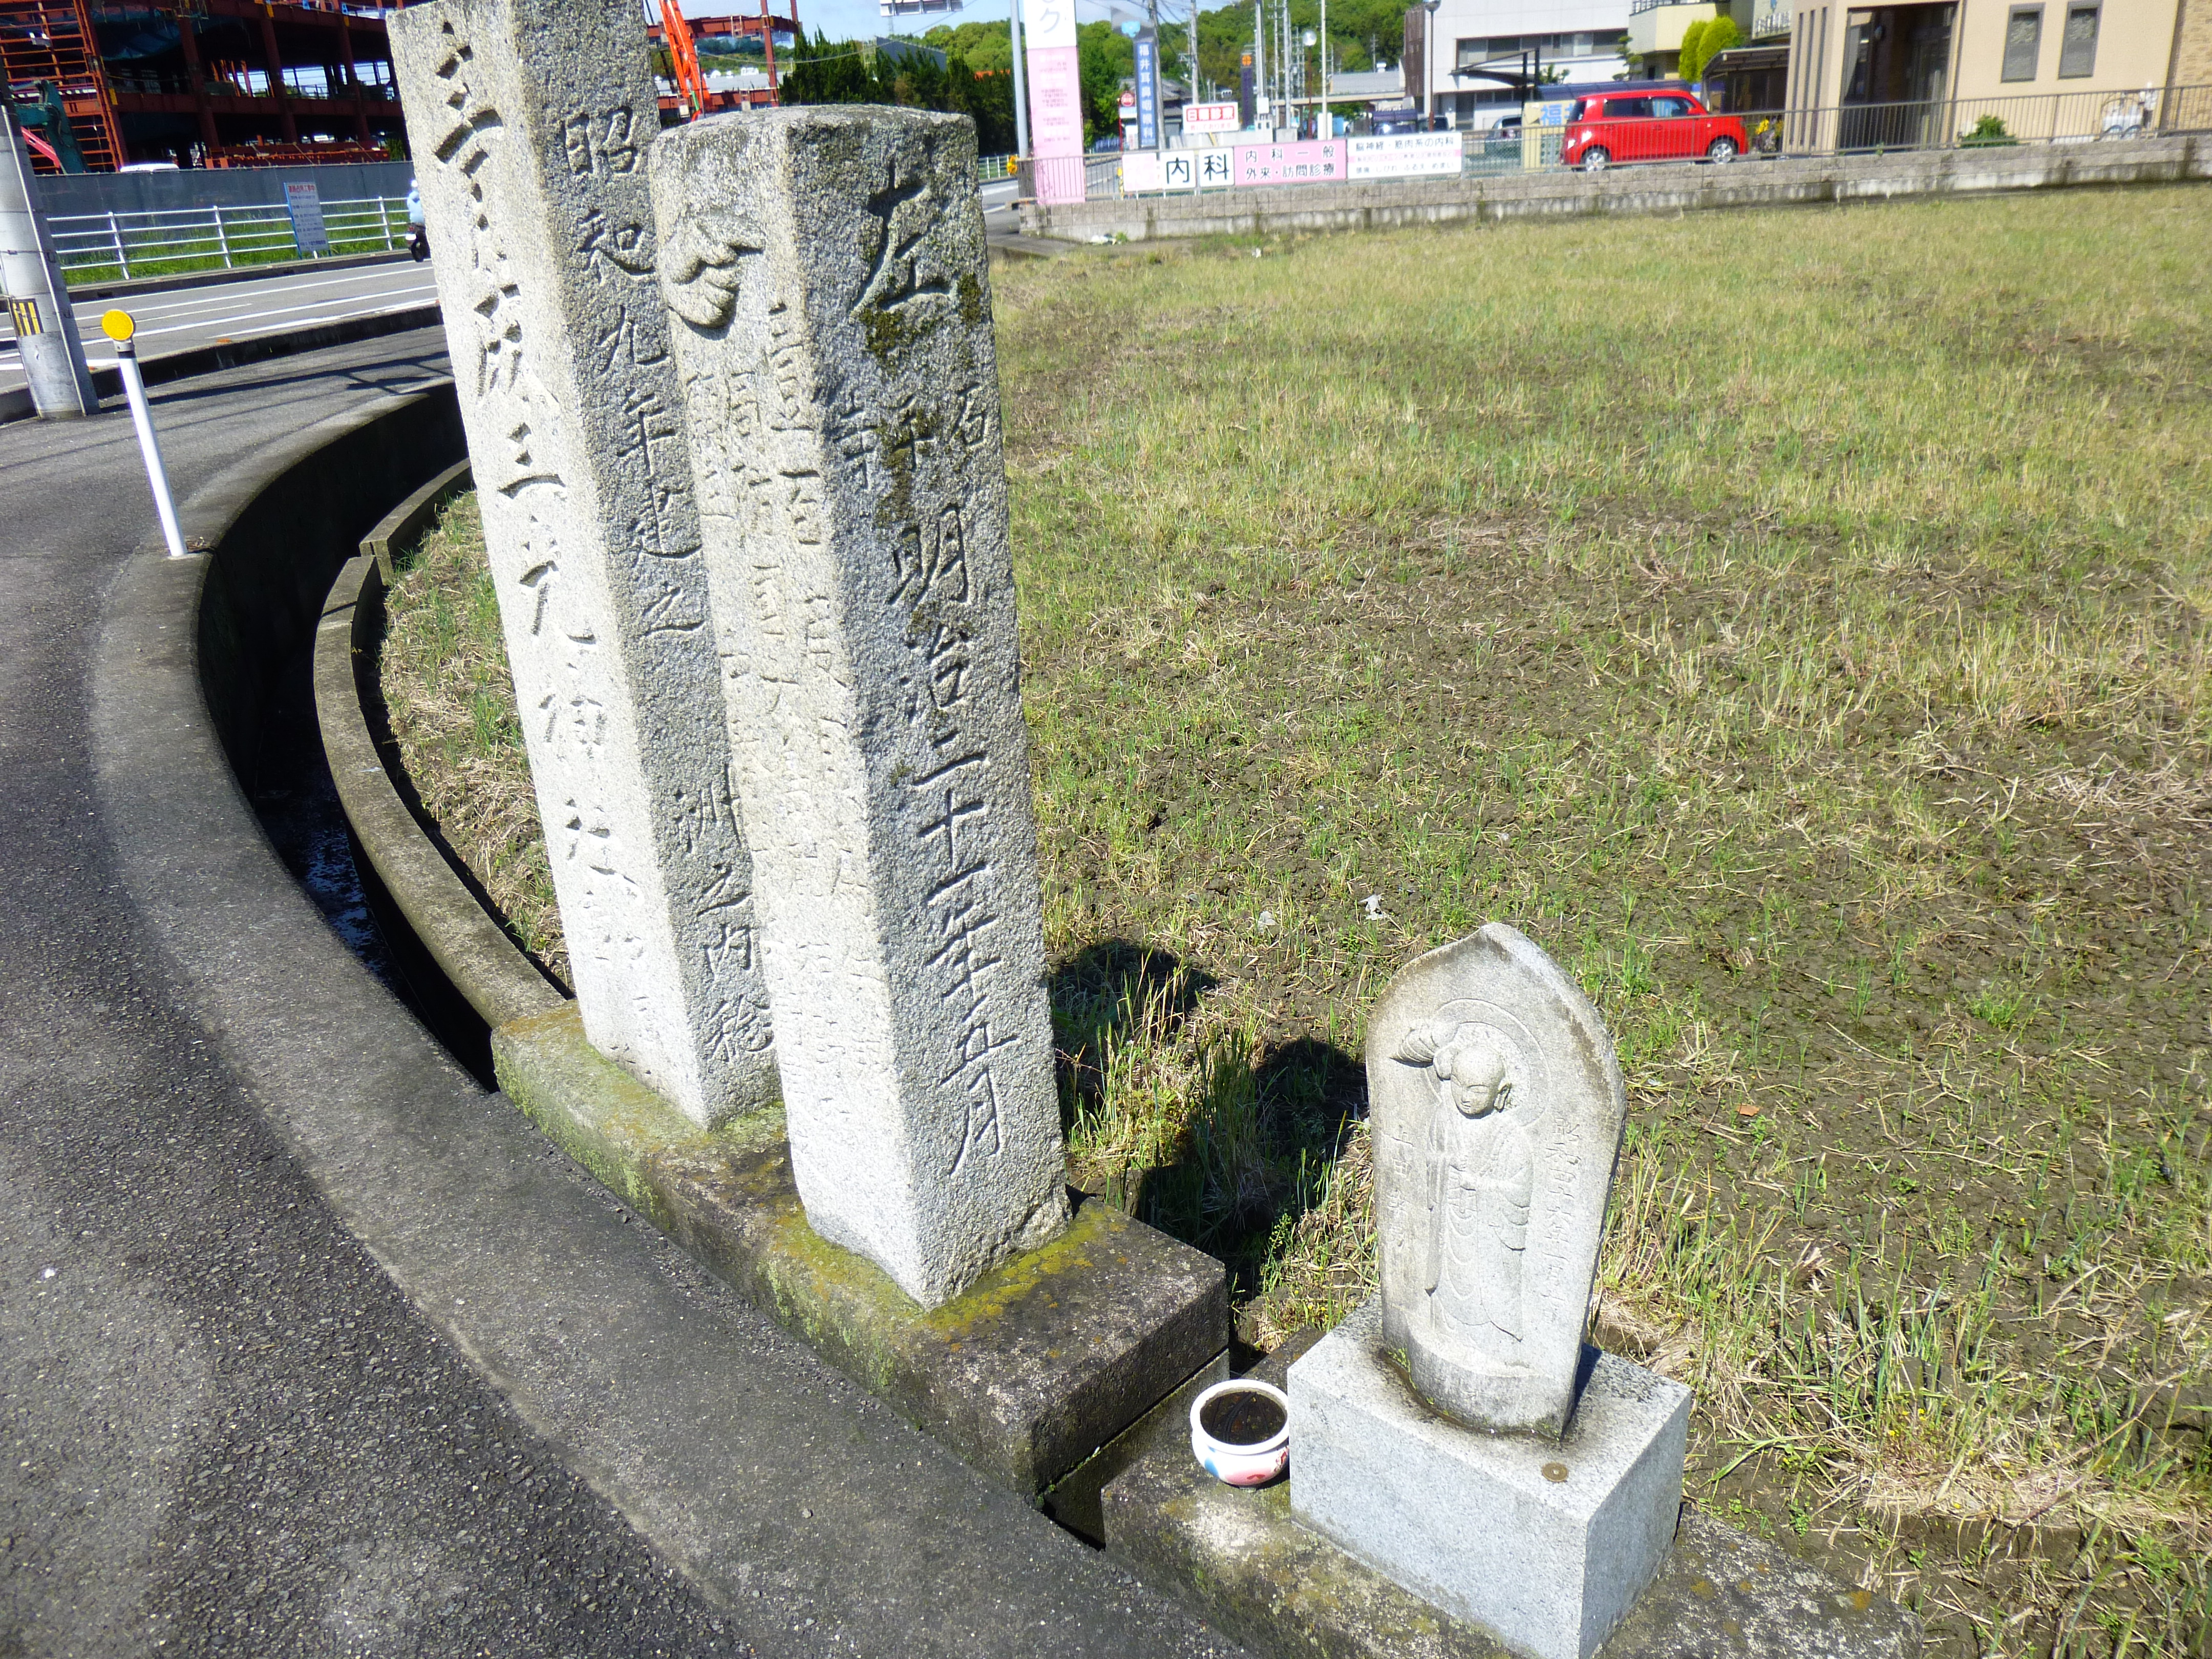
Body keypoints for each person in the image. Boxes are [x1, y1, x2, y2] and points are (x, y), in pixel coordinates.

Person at [406, 179, 428, 262]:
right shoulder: (424, 197)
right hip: (423, 223)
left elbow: (410, 208)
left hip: (413, 223)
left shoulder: (409, 198)